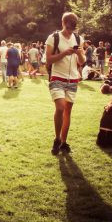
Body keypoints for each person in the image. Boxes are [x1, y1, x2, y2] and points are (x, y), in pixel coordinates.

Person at [46, 12, 85, 155]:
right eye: (68, 28)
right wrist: (64, 53)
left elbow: (81, 62)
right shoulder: (53, 38)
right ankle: (57, 138)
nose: (70, 32)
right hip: (57, 77)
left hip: (73, 79)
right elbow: (48, 59)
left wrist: (79, 53)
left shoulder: (79, 38)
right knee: (60, 108)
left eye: (72, 29)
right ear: (63, 23)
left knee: (68, 111)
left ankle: (63, 142)